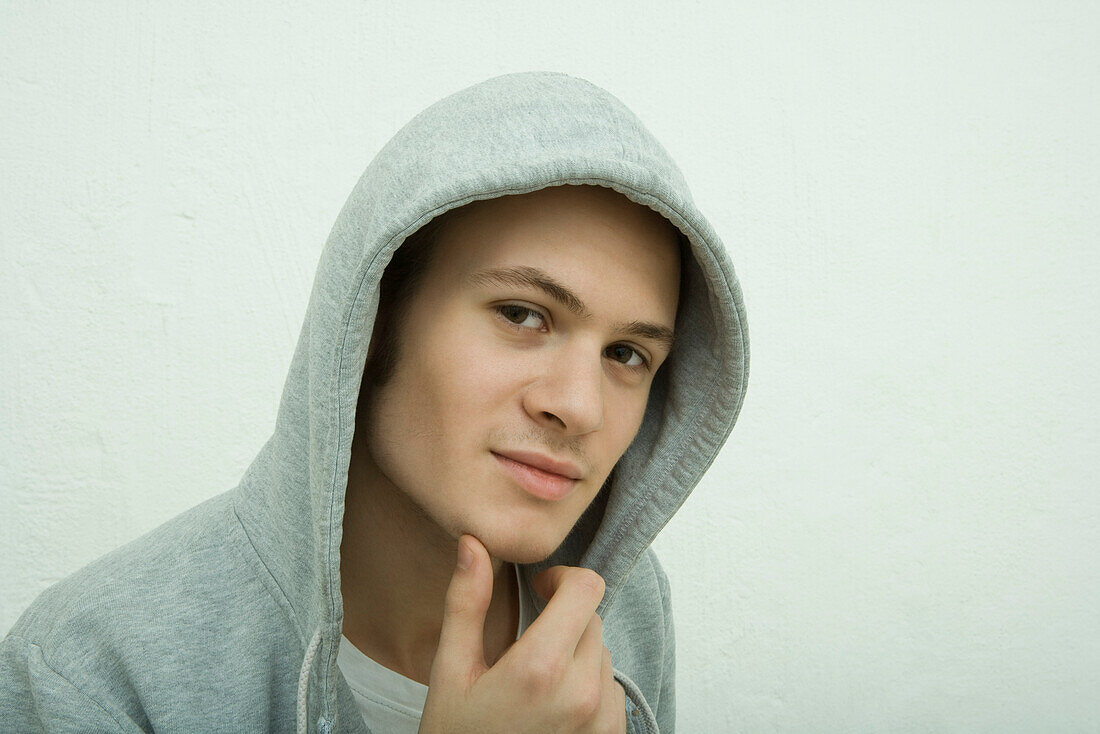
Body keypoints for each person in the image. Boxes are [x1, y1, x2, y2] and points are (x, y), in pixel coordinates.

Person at [0, 71, 749, 733]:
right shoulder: (92, 672)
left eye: (627, 354)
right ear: (373, 315)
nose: (580, 407)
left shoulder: (620, 607)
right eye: (523, 314)